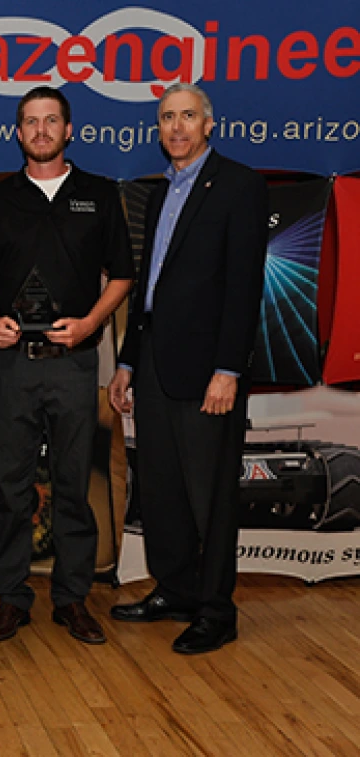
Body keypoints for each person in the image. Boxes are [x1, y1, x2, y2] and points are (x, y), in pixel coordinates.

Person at [108, 83, 267, 654]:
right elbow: (148, 288)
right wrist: (128, 361)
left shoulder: (240, 185)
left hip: (207, 371)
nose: (176, 127)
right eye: (167, 117)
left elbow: (244, 286)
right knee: (162, 488)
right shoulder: (158, 194)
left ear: (209, 124)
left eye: (187, 116)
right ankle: (175, 590)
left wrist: (228, 369)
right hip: (154, 363)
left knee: (210, 495)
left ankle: (216, 611)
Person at [0, 86, 134, 645]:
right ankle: (10, 598)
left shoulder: (99, 194)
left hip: (74, 364)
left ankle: (72, 599)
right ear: (18, 132)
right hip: (15, 366)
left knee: (72, 485)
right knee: (12, 486)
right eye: (30, 121)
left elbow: (122, 275)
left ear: (69, 130)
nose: (40, 131)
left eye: (51, 121)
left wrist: (89, 324)